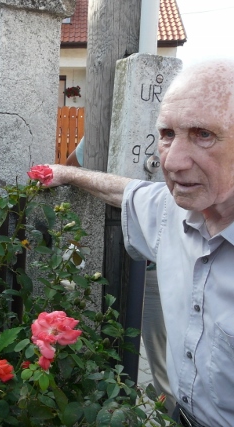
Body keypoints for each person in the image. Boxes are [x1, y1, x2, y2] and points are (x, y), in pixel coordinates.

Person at [46, 58, 234, 427]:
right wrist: (66, 173)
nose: (172, 163)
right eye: (168, 133)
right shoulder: (176, 208)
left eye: (204, 134)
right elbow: (128, 192)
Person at [65, 137, 175, 412]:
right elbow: (71, 166)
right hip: (132, 261)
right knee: (157, 360)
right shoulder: (111, 131)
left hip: (172, 260)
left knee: (175, 360)